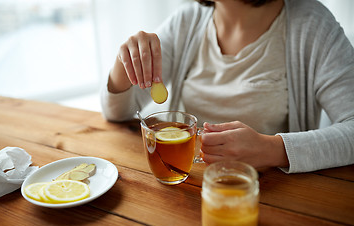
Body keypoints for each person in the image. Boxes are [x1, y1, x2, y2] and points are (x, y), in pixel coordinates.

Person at [100, 0, 354, 173]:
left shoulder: (313, 26)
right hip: (188, 183)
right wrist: (125, 63)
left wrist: (273, 150)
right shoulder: (186, 21)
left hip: (269, 194)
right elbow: (118, 113)